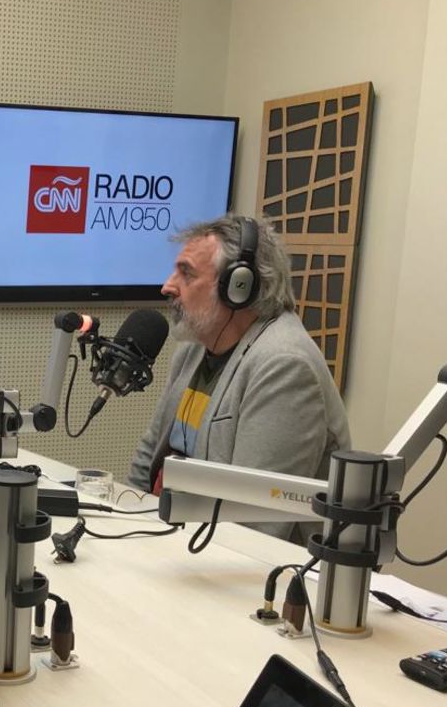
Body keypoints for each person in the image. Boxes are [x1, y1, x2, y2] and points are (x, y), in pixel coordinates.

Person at [127, 214, 350, 539]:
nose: (167, 286)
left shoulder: (284, 367)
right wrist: (127, 522)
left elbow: (254, 525)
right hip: (177, 543)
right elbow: (151, 454)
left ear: (238, 287)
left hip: (254, 574)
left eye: (186, 273)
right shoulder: (195, 347)